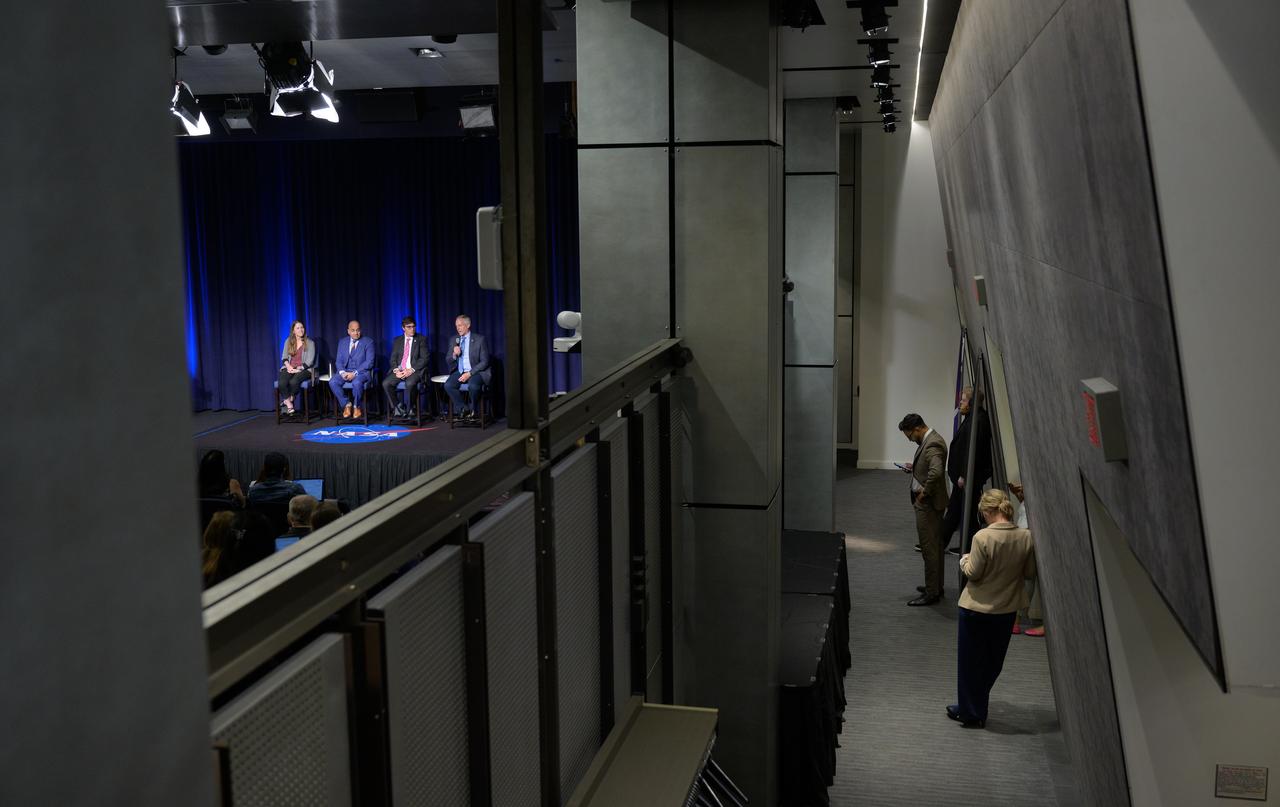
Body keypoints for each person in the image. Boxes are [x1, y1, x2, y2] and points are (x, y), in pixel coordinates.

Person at [948, 489, 1036, 728]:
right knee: (991, 662)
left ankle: (971, 711)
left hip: (976, 608)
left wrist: (964, 559)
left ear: (988, 511)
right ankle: (973, 705)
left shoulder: (982, 537)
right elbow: (1029, 573)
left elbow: (973, 573)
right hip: (1006, 610)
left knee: (969, 662)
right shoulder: (1026, 537)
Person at [900, 413, 948, 605]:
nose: (911, 440)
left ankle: (931, 593)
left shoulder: (933, 444)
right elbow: (930, 466)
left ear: (918, 428)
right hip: (931, 504)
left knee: (929, 548)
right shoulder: (930, 440)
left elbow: (936, 472)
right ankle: (936, 586)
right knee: (935, 546)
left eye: (910, 436)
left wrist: (924, 493)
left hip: (928, 505)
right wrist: (915, 468)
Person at [942, 387, 993, 556]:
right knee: (957, 511)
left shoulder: (978, 421)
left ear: (971, 403)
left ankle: (966, 547)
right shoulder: (974, 418)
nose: (960, 404)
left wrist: (964, 475)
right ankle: (945, 543)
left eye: (963, 400)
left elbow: (974, 452)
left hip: (968, 478)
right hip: (964, 478)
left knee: (966, 514)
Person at [1009, 481, 1045, 636]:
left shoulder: (1043, 489)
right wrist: (1021, 496)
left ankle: (1017, 620)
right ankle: (1016, 620)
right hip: (1025, 535)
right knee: (1025, 579)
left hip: (1031, 537)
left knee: (1028, 580)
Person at [443, 314, 492, 419]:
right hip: (460, 371)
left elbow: (485, 362)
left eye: (460, 325)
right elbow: (448, 360)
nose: (458, 328)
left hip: (476, 371)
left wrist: (470, 373)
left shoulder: (480, 339)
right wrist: (454, 355)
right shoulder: (454, 340)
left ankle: (474, 408)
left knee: (473, 386)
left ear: (468, 325)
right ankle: (464, 409)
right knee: (448, 385)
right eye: (456, 326)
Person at [382, 316, 429, 418]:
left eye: (413, 327)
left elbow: (425, 359)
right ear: (403, 328)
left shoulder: (421, 339)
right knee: (386, 383)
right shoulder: (397, 340)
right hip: (400, 370)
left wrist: (411, 370)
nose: (412, 329)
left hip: (414, 371)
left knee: (410, 383)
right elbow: (393, 358)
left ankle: (411, 408)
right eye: (409, 327)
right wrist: (396, 370)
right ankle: (398, 407)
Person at [329, 320, 374, 420]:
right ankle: (347, 404)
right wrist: (342, 372)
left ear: (360, 330)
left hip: (361, 372)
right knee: (333, 382)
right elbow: (338, 361)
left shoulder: (368, 342)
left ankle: (356, 406)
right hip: (345, 371)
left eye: (358, 330)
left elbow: (369, 362)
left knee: (357, 383)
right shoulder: (342, 342)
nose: (356, 333)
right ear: (348, 331)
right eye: (353, 330)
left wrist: (355, 373)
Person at [277, 320, 316, 415]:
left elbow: (310, 361)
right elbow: (284, 357)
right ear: (293, 331)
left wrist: (299, 369)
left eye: (302, 327)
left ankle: (287, 401)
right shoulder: (288, 341)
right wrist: (289, 366)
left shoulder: (310, 343)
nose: (301, 330)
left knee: (293, 382)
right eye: (298, 328)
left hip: (305, 369)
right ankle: (289, 403)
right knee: (282, 382)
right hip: (290, 367)